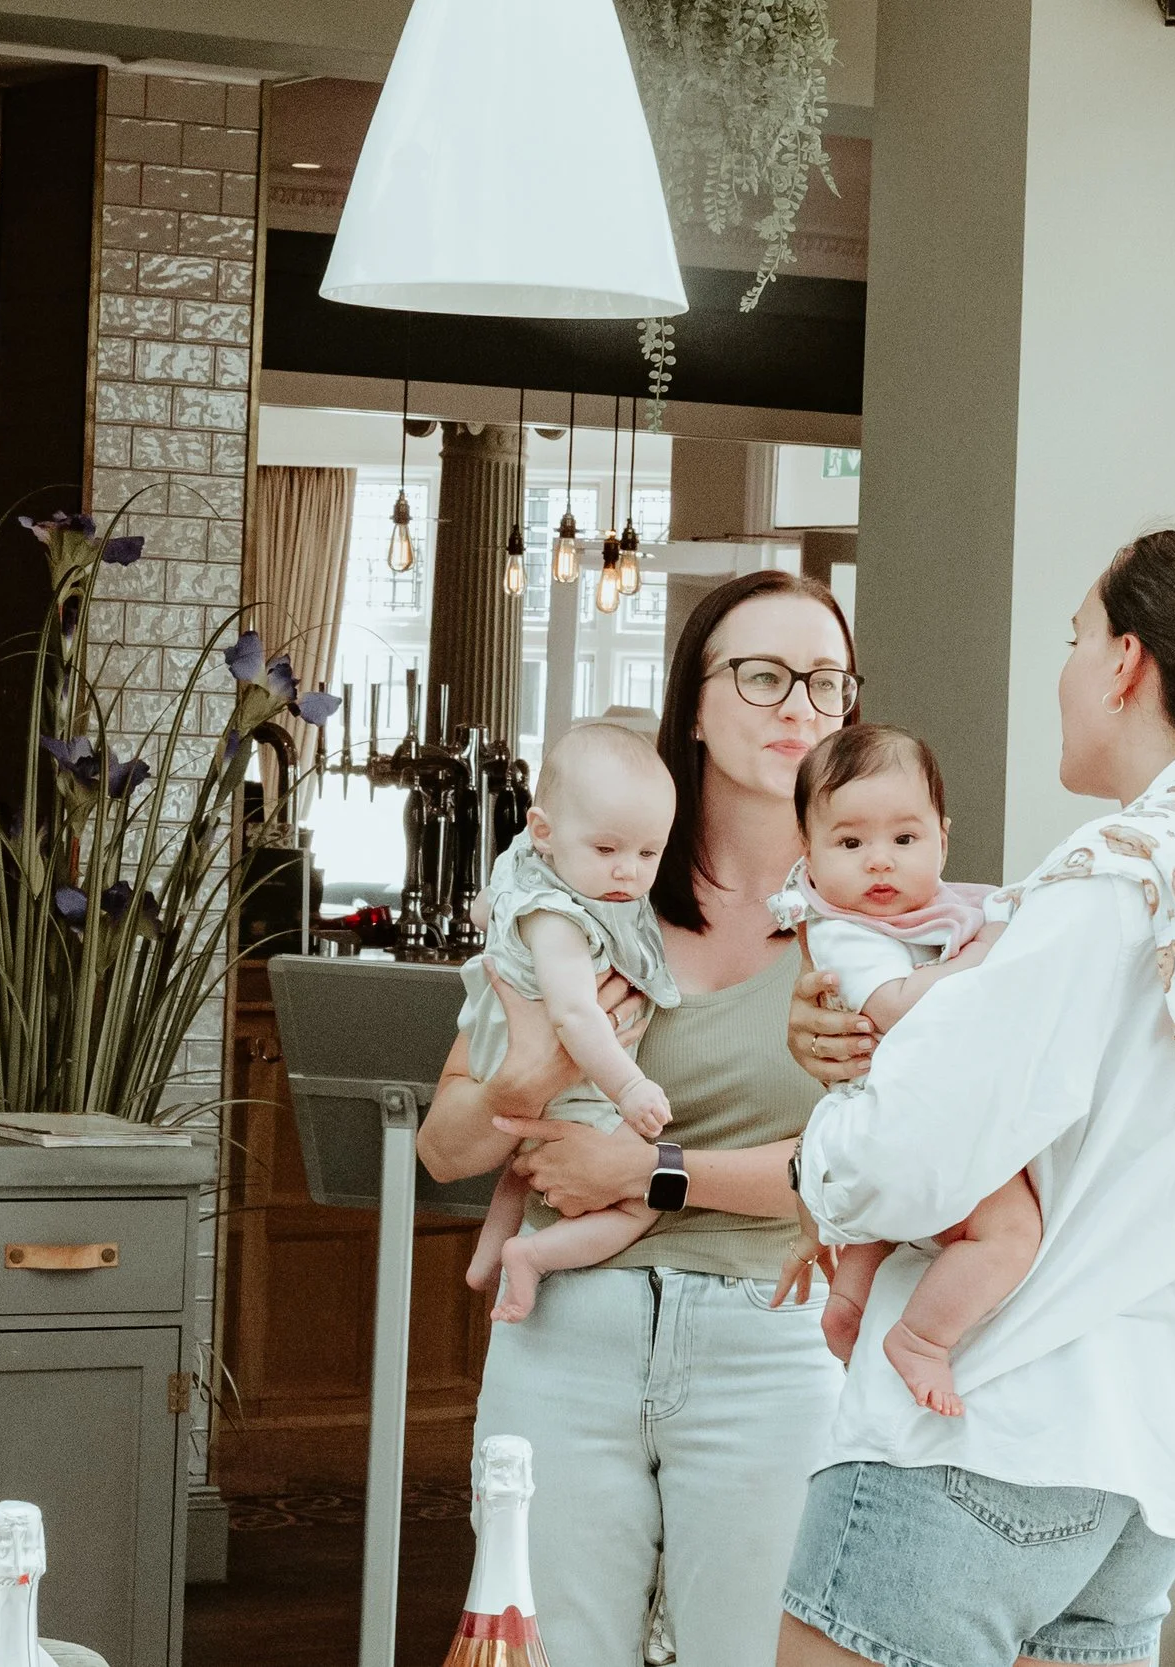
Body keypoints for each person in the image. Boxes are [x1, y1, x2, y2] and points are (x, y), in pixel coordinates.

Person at [778, 527, 1175, 1667]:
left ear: (1124, 664)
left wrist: (821, 1150)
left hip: (984, 1435)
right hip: (1144, 1462)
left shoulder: (1108, 880)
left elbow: (909, 1152)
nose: (1064, 667)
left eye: (1073, 637)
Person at [417, 571, 859, 1667]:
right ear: (693, 705)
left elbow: (860, 1164)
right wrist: (535, 1071)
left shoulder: (866, 913)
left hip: (770, 1338)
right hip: (568, 1334)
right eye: (762, 675)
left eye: (826, 681)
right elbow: (445, 1148)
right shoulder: (579, 890)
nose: (797, 703)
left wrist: (648, 1168)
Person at [766, 724, 1028, 1416]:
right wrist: (983, 957)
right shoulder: (844, 932)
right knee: (1009, 1232)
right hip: (897, 1119)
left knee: (886, 1218)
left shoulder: (942, 914)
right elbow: (897, 1005)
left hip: (899, 1120)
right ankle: (922, 1336)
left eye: (904, 840)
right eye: (851, 843)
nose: (879, 862)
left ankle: (849, 1303)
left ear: (942, 838)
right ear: (810, 855)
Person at [460, 721, 681, 1325]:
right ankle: (534, 1255)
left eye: (647, 853)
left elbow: (484, 907)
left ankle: (486, 1262)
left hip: (508, 1063)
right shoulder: (559, 918)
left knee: (525, 1162)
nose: (627, 875)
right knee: (649, 1192)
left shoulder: (528, 866)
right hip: (556, 1066)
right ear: (545, 831)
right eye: (606, 850)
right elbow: (576, 1015)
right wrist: (630, 1088)